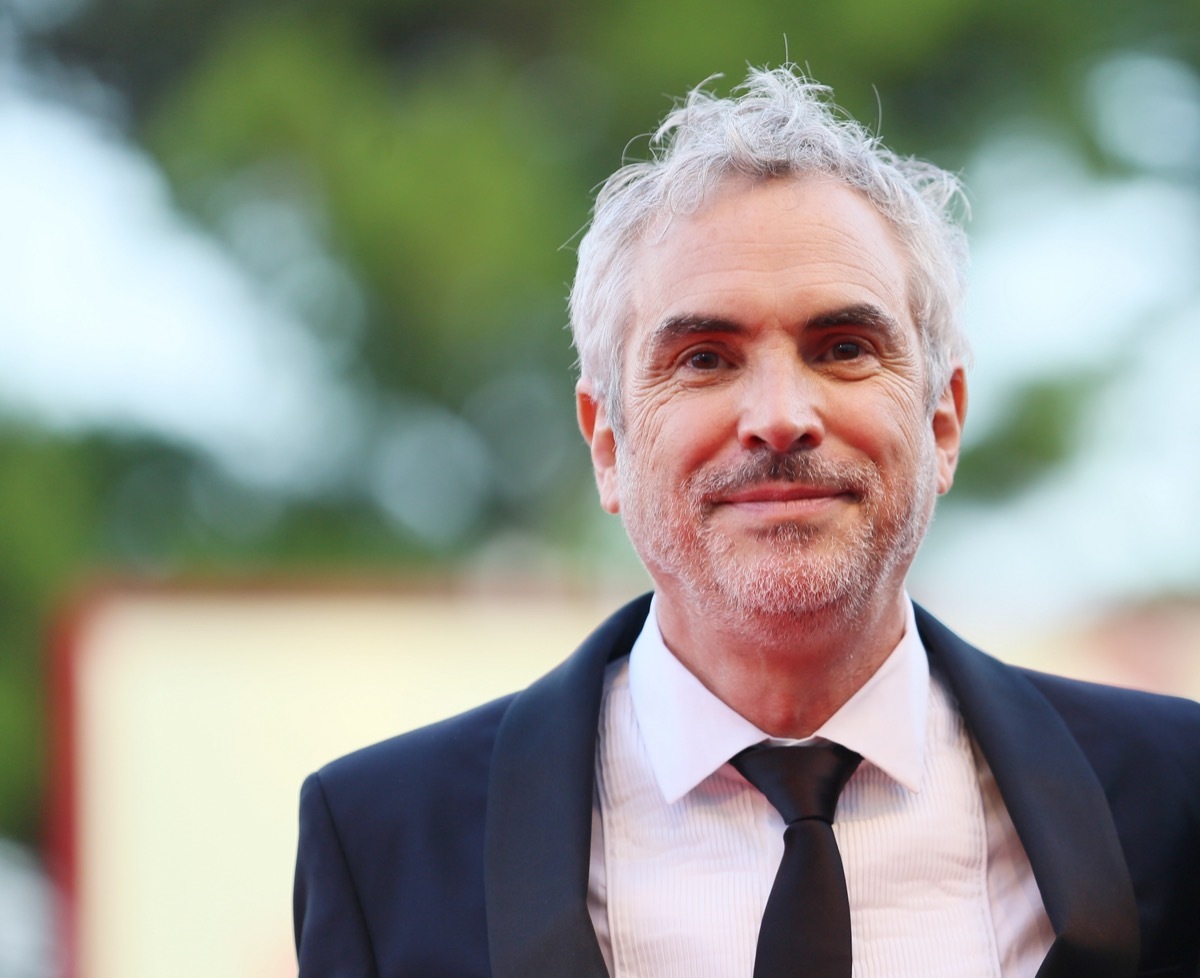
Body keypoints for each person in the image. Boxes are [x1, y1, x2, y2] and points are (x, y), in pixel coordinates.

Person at [293, 66, 1200, 978]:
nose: (778, 415)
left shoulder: (1176, 795)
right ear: (607, 443)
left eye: (843, 348)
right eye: (704, 358)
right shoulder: (385, 838)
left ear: (943, 420)